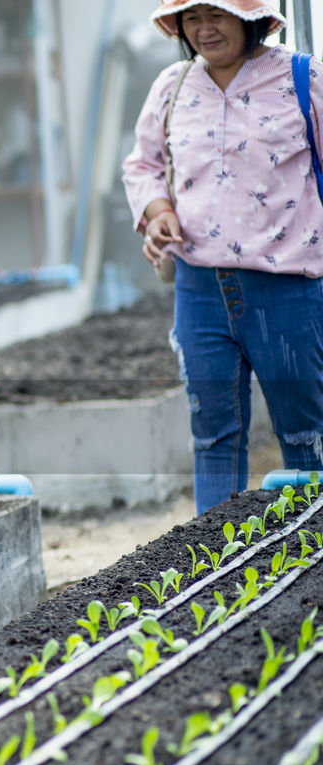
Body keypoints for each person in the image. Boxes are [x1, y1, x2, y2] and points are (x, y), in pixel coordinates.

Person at [122, 0, 323, 514]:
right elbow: (142, 164)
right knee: (213, 437)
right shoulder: (172, 87)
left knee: (305, 435)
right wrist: (158, 209)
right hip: (200, 290)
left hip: (289, 289)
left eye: (217, 15)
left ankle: (311, 562)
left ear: (248, 18)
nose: (204, 29)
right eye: (192, 18)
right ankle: (221, 569)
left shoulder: (302, 78)